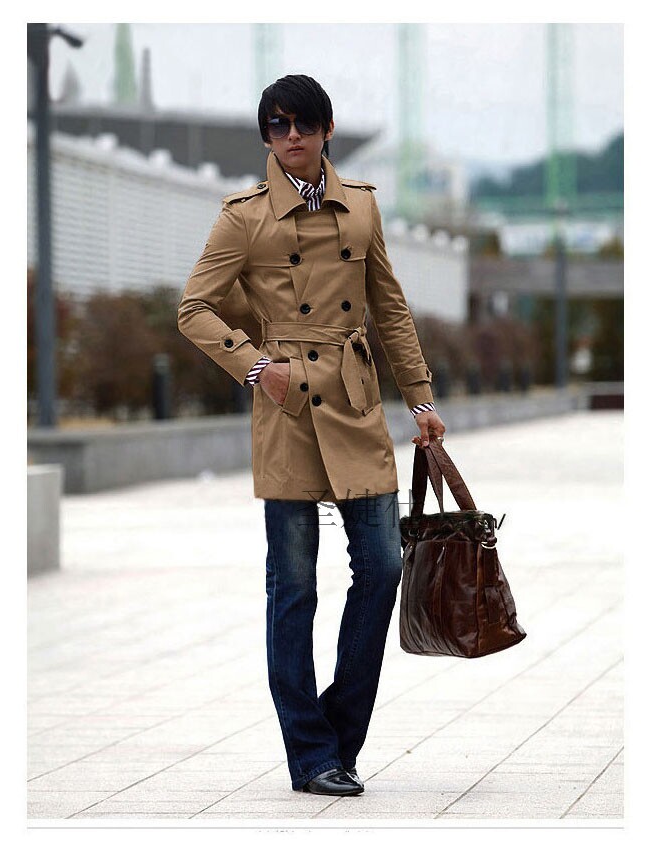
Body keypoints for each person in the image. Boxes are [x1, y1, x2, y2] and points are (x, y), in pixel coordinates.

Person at [177, 74, 446, 796]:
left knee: (382, 570)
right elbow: (195, 307)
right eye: (277, 125)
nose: (290, 136)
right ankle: (312, 755)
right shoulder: (244, 217)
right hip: (288, 407)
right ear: (266, 136)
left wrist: (420, 397)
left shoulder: (362, 206)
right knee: (294, 587)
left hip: (356, 403)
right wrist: (255, 367)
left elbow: (390, 307)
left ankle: (336, 736)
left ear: (327, 129)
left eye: (303, 123)